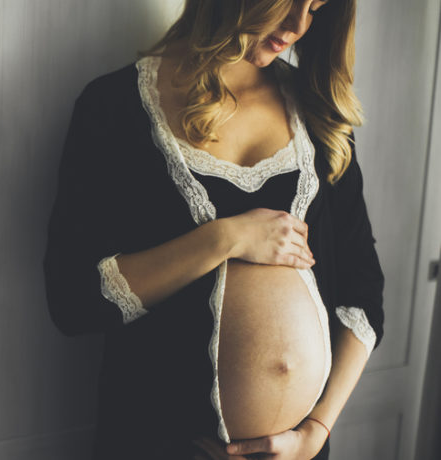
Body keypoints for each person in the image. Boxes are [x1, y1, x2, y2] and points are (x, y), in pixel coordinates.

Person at [41, 0, 385, 459]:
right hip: (156, 442)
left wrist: (315, 431)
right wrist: (225, 238)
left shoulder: (320, 112)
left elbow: (364, 295)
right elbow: (73, 300)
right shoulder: (113, 106)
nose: (300, 24)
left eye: (316, 7)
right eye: (291, 0)